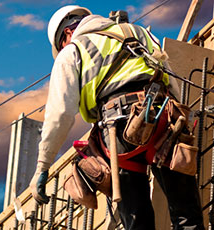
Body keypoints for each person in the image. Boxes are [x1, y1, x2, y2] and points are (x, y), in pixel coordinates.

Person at [30, 5, 204, 230]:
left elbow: (60, 113)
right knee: (186, 215)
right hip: (164, 120)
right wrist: (182, 124)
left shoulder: (73, 50)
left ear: (66, 33)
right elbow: (171, 79)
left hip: (118, 135)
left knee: (136, 222)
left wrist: (43, 166)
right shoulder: (138, 33)